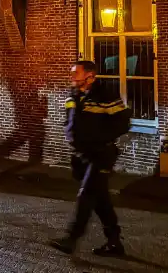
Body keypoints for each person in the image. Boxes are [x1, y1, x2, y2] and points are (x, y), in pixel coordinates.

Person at [51, 60, 131, 256]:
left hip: (101, 155)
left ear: (90, 76)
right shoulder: (74, 95)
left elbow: (123, 124)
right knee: (100, 199)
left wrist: (100, 139)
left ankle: (71, 238)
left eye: (75, 73)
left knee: (86, 195)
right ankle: (114, 242)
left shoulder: (106, 95)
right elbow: (70, 120)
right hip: (82, 156)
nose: (72, 77)